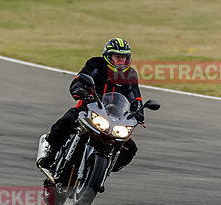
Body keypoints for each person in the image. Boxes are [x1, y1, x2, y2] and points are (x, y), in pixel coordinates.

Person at [37, 38, 144, 182]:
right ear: (108, 56)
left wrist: (139, 111)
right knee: (67, 121)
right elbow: (78, 81)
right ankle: (50, 156)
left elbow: (135, 97)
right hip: (89, 108)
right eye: (117, 56)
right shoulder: (95, 64)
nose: (121, 60)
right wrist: (80, 91)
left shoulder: (130, 74)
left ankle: (103, 169)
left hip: (114, 118)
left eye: (124, 57)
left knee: (130, 148)